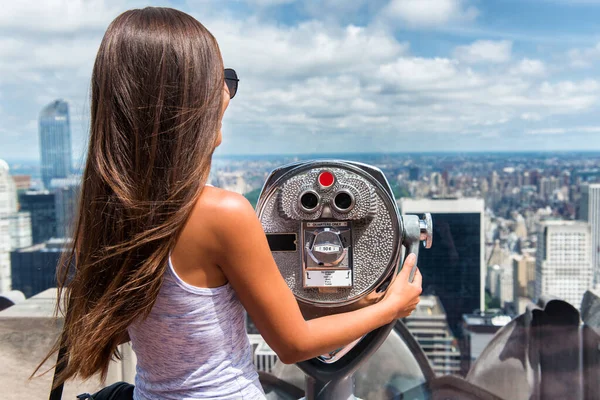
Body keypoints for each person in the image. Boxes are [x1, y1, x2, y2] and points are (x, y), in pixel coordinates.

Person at [37, 7, 423, 400]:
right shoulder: (222, 214)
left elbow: (190, 320)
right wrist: (391, 306)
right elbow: (293, 344)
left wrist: (351, 305)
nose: (226, 93)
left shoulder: (110, 211)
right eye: (221, 80)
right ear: (189, 100)